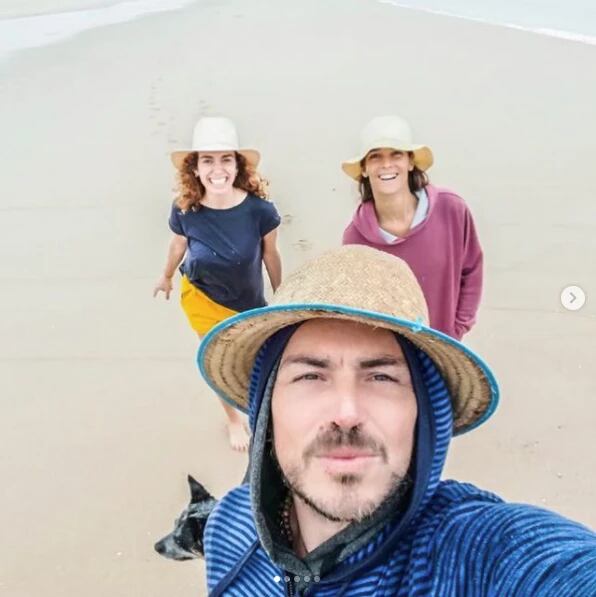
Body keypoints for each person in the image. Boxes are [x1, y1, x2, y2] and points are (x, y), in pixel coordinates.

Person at [194, 245, 596, 595]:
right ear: (267, 409)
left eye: (382, 377)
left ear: (424, 411)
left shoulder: (476, 554)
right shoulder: (228, 529)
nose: (346, 414)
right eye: (311, 376)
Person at [153, 116, 282, 451]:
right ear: (195, 169)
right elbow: (178, 245)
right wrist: (166, 276)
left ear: (237, 166)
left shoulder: (260, 211)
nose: (217, 169)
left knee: (258, 360)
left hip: (248, 301)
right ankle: (233, 421)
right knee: (217, 362)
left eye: (225, 159)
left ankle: (265, 414)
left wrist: (283, 294)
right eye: (207, 161)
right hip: (201, 298)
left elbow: (271, 254)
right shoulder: (186, 209)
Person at [342, 115, 482, 340]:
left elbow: (472, 269)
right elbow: (357, 307)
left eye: (396, 154)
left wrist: (458, 328)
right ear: (365, 169)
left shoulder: (451, 208)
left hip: (444, 349)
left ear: (410, 162)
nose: (386, 164)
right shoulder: (355, 237)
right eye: (375, 156)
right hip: (387, 359)